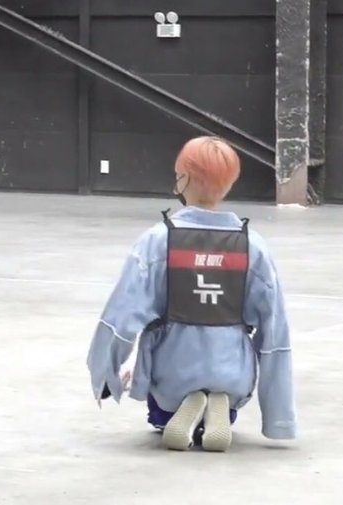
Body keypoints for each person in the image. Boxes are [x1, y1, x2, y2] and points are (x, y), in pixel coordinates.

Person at [87, 136, 296, 452]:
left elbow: (121, 315)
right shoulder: (253, 247)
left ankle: (176, 410)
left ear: (183, 179)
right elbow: (275, 332)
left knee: (160, 413)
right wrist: (279, 419)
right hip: (233, 371)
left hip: (172, 370)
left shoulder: (157, 241)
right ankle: (220, 405)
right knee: (227, 393)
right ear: (229, 184)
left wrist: (105, 376)